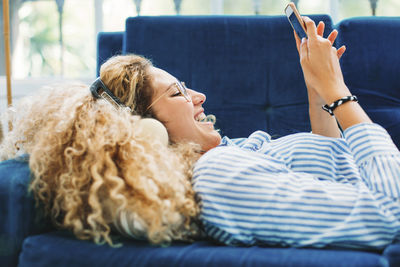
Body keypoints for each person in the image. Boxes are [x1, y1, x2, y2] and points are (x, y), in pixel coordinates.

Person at [1, 17, 399, 250]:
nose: (199, 96)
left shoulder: (225, 154)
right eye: (177, 93)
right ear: (147, 132)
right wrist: (338, 94)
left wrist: (318, 89)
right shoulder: (219, 177)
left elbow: (328, 167)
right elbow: (388, 212)